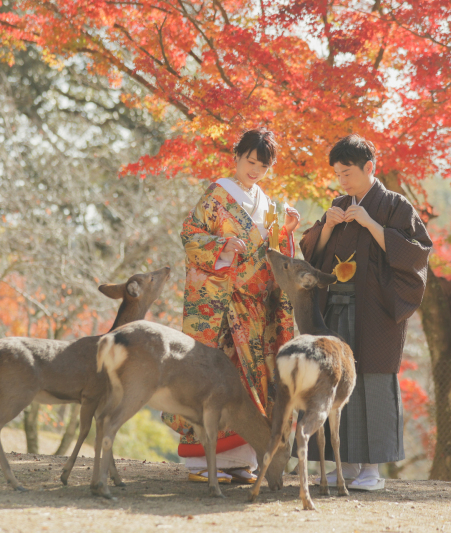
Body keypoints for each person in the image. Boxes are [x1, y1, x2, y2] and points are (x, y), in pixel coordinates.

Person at [162, 128, 300, 484]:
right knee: (216, 376)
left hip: (256, 308)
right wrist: (222, 246)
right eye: (250, 161)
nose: (254, 170)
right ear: (237, 157)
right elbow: (191, 236)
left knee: (252, 380)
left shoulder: (268, 203)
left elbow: (272, 250)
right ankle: (201, 462)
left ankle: (240, 460)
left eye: (262, 165)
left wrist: (284, 231)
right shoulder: (217, 195)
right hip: (223, 304)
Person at [297, 134, 432, 491]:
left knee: (371, 383)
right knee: (333, 381)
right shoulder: (339, 203)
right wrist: (326, 225)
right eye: (338, 175)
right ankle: (343, 465)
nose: (342, 181)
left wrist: (372, 223)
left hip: (375, 313)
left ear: (369, 168)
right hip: (336, 308)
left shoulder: (395, 205)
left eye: (347, 173)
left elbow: (417, 254)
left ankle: (371, 472)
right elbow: (312, 256)